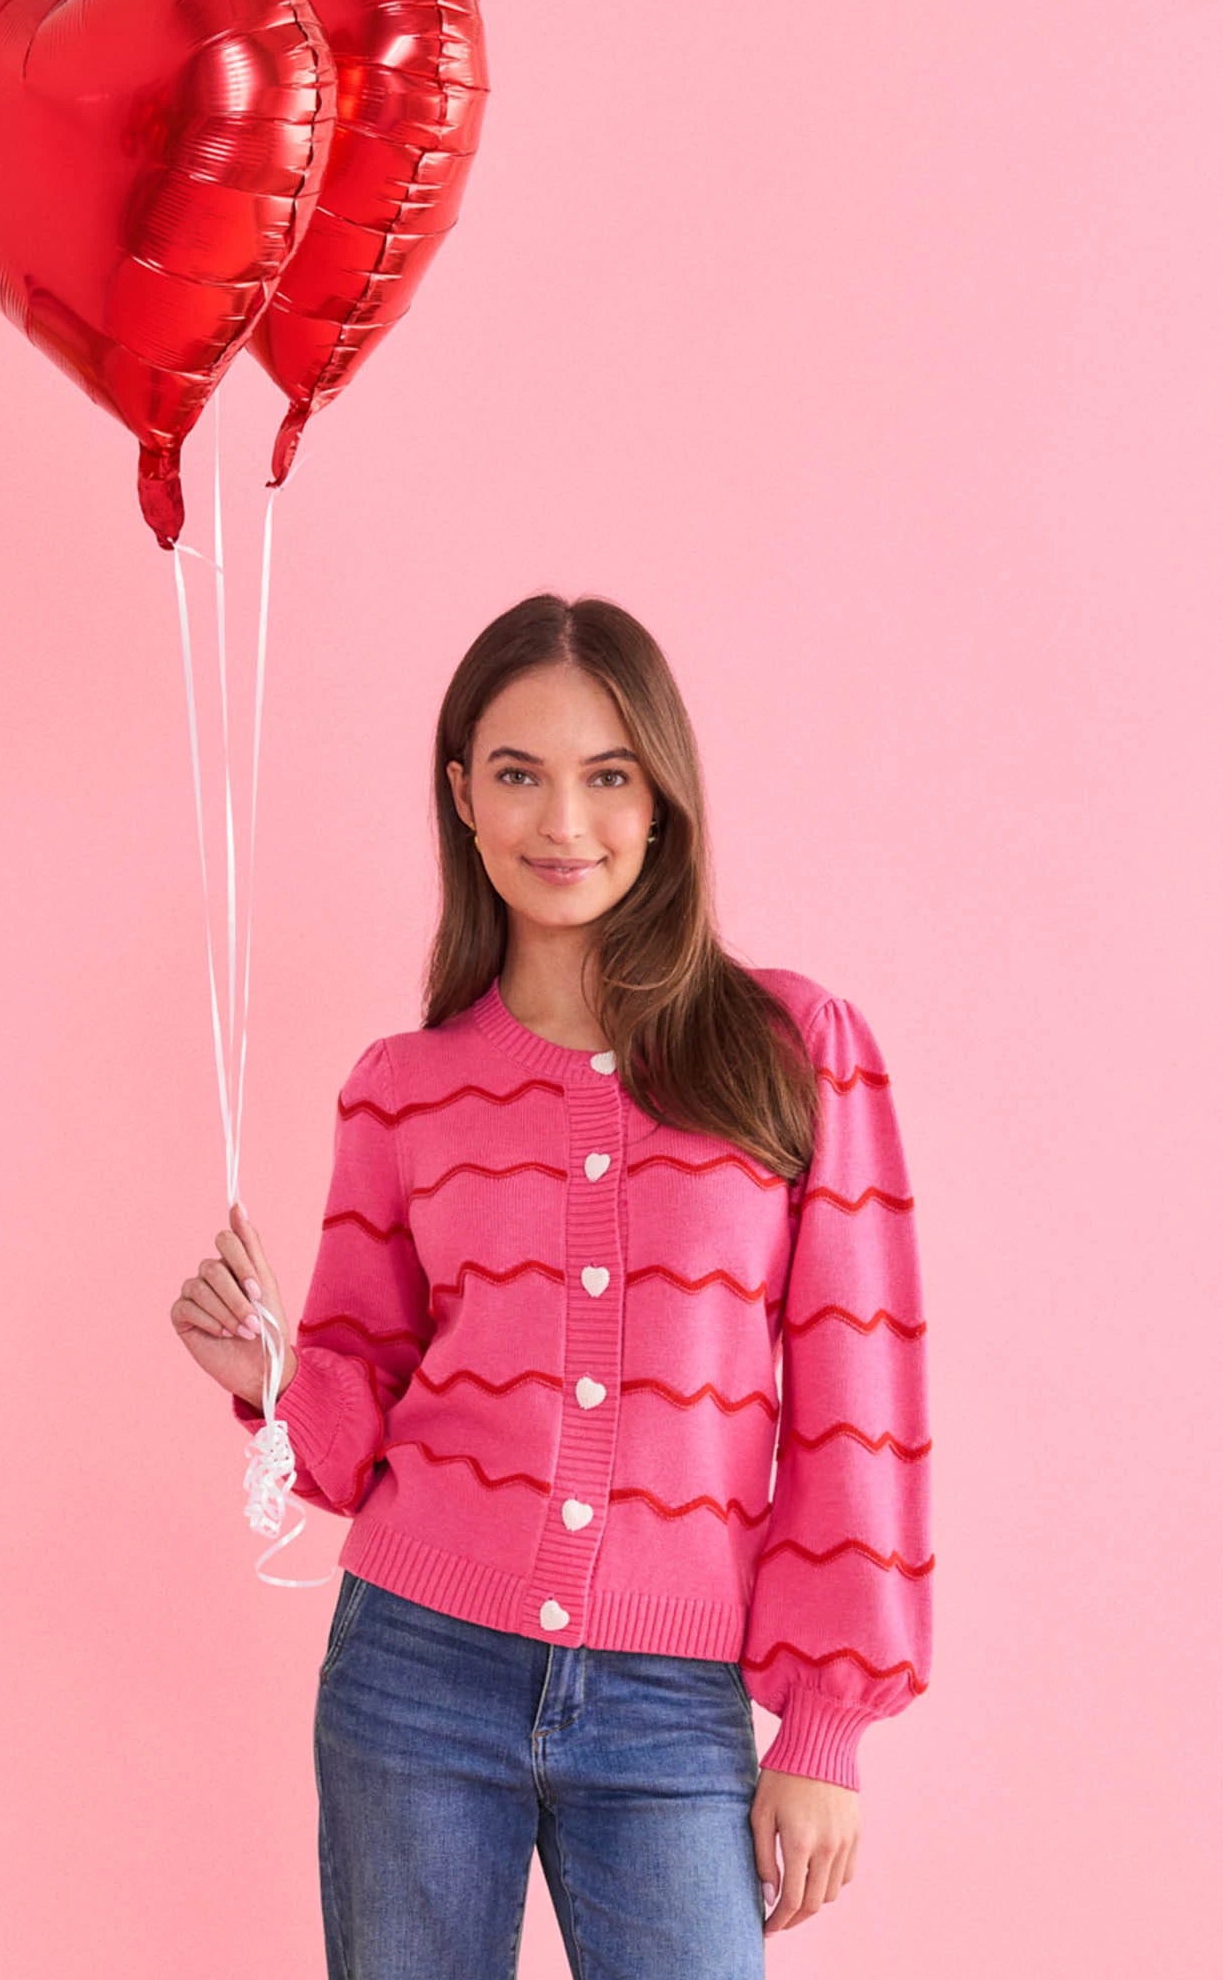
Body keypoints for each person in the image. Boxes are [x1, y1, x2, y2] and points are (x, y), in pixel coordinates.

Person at [171, 592, 934, 1978]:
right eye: (517, 774)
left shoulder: (791, 1047)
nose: (561, 823)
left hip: (670, 1702)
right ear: (461, 794)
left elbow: (855, 1403)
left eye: (606, 777)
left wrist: (824, 1729)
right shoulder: (401, 1090)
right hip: (412, 1674)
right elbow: (362, 1425)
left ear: (662, 800)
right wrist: (273, 1380)